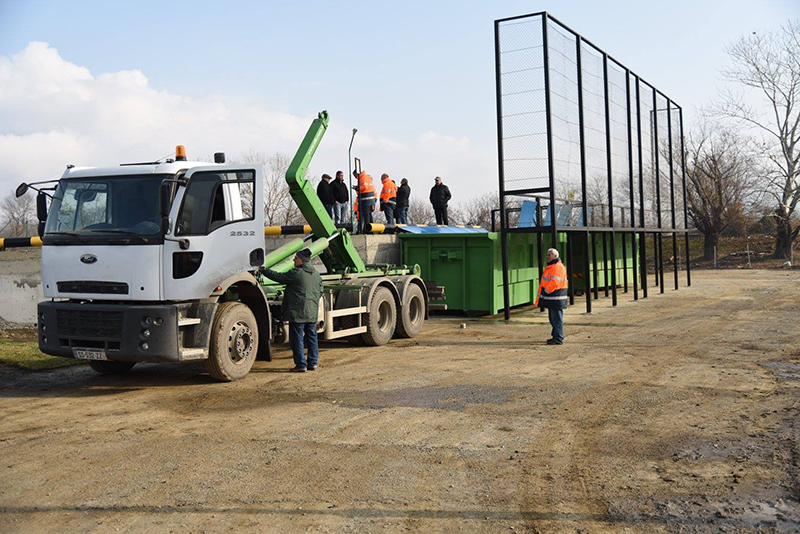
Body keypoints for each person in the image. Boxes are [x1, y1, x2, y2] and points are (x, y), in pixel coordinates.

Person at [262, 248, 323, 372]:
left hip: (298, 313)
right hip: (311, 312)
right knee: (312, 338)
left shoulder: (296, 273)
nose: (294, 260)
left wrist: (264, 270)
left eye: (296, 258)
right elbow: (320, 291)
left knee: (297, 339)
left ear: (302, 260)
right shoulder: (316, 274)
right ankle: (313, 363)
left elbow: (278, 277)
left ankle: (301, 365)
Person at [535, 248, 568, 345]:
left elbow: (554, 282)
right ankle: (556, 337)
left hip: (556, 298)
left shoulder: (557, 267)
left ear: (555, 256)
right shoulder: (554, 266)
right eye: (547, 254)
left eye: (549, 255)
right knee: (554, 318)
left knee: (556, 319)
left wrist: (545, 291)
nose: (547, 257)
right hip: (554, 298)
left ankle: (558, 338)